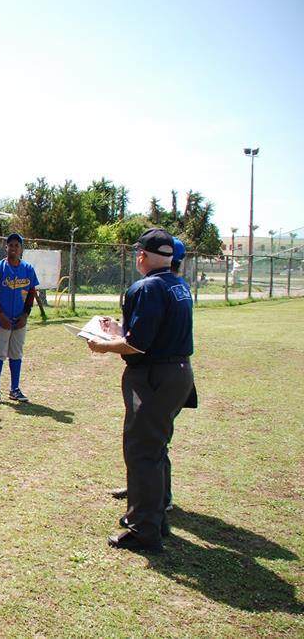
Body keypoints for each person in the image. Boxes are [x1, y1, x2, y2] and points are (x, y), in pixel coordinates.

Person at [88, 228, 194, 552]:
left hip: (153, 379)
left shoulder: (146, 287)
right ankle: (156, 515)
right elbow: (149, 333)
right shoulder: (179, 285)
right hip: (178, 374)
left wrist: (103, 345)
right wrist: (119, 331)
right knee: (156, 447)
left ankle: (143, 529)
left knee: (142, 451)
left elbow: (137, 344)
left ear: (142, 256)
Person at [0, 233, 38, 404]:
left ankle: (14, 389)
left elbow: (31, 292)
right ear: (6, 247)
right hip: (2, 319)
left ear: (21, 248)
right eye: (11, 245)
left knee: (16, 353)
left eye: (17, 245)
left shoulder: (28, 268)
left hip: (20, 319)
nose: (13, 248)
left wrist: (26, 314)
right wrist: (0, 314)